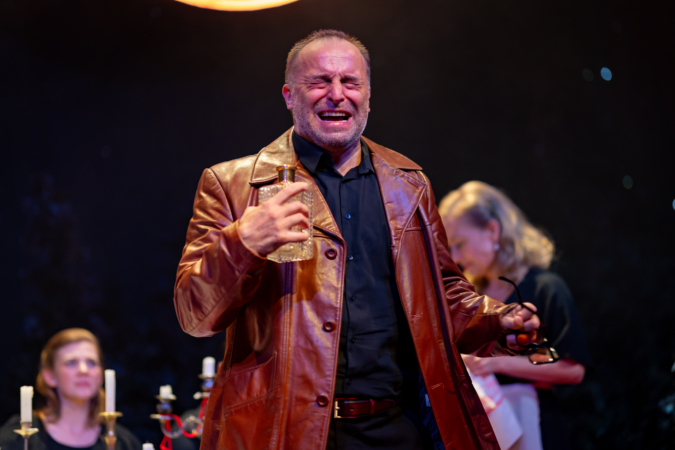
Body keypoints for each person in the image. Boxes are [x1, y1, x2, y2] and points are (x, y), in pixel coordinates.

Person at [173, 29, 541, 450]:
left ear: (368, 96)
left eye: (350, 82)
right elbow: (193, 315)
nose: (336, 94)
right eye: (318, 82)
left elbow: (441, 299)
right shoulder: (232, 185)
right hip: (286, 434)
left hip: (397, 430)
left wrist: (499, 322)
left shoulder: (409, 184)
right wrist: (244, 243)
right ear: (289, 96)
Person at [438, 181, 591, 450]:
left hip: (537, 426)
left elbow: (573, 369)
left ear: (492, 231)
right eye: (451, 249)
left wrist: (495, 364)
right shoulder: (471, 297)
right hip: (486, 431)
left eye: (459, 244)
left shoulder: (545, 288)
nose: (456, 257)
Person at [0, 328, 140, 450]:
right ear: (50, 376)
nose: (84, 370)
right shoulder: (19, 437)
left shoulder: (123, 442)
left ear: (100, 375)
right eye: (71, 362)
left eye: (91, 363)